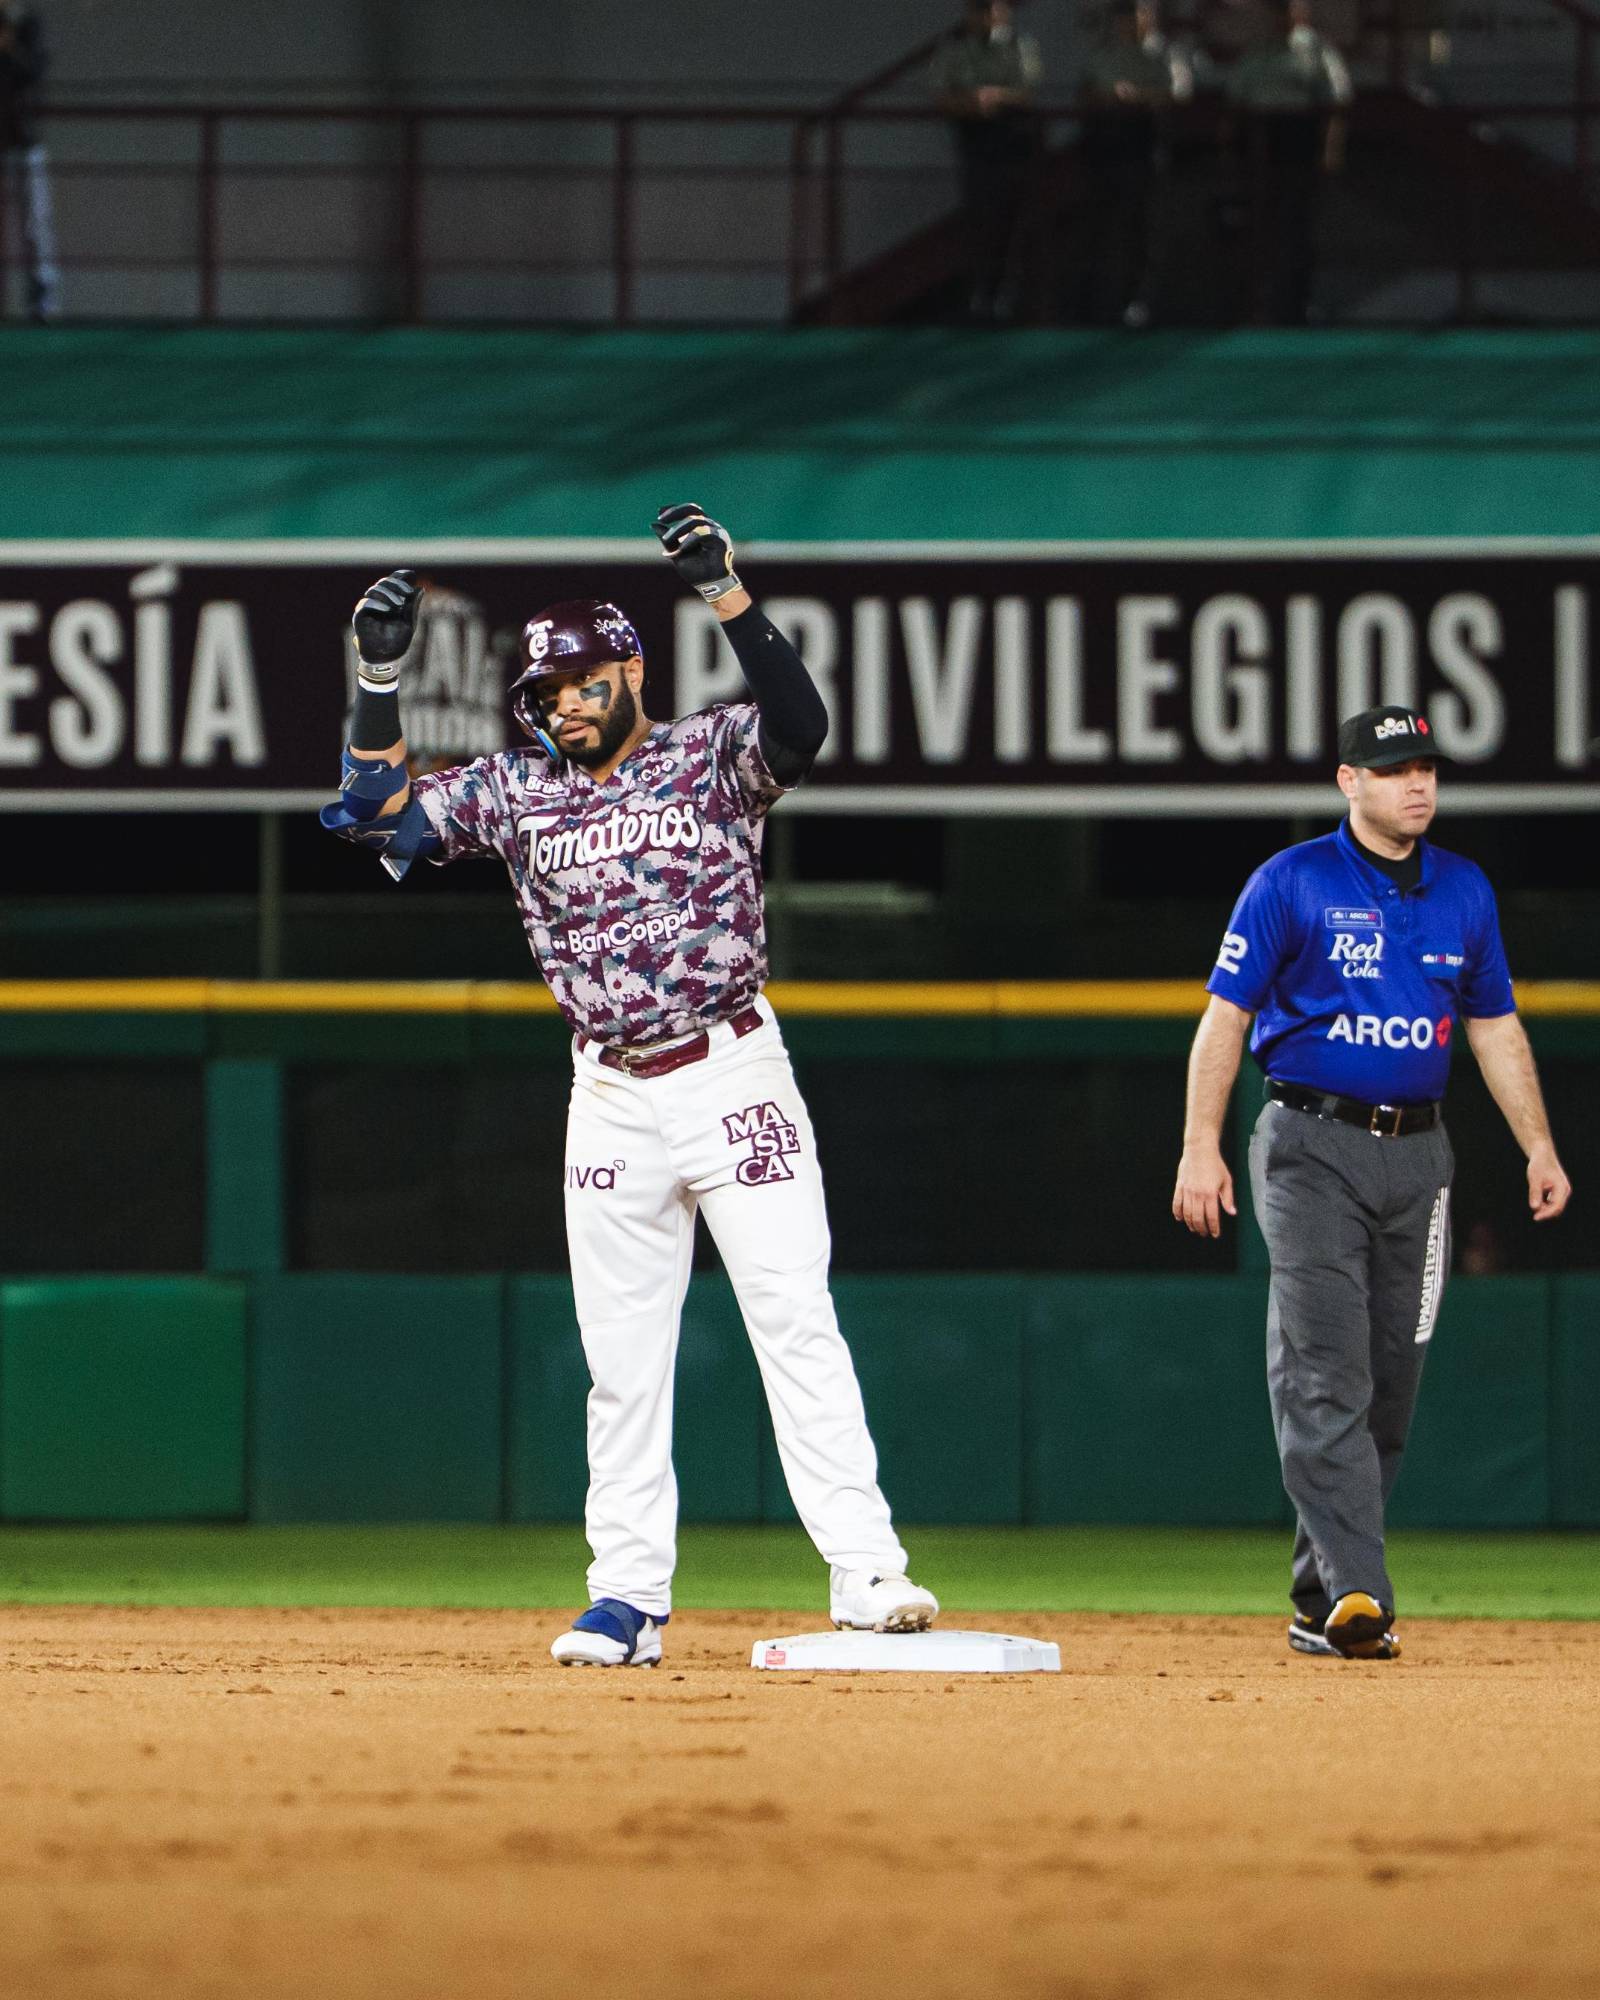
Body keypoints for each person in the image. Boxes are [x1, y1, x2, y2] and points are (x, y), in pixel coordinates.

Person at [321, 506, 939, 1669]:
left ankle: (866, 1569)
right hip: (606, 1090)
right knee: (620, 1353)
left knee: (794, 1319)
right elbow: (373, 816)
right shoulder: (513, 788)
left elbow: (802, 725)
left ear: (628, 672)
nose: (561, 702)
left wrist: (730, 595)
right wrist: (378, 678)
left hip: (731, 1064)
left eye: (579, 682)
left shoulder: (703, 754)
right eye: (546, 690)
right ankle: (626, 1596)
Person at [1171, 705, 1571, 1661]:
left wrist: (1539, 1148)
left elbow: (1496, 1029)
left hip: (1420, 1159)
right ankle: (1361, 1590)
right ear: (1349, 781)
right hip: (1310, 1144)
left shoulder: (1465, 891)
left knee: (1391, 1386)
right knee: (1326, 1371)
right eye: (1394, 770)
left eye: (1427, 767)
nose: (1418, 784)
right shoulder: (1292, 882)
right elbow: (1224, 1018)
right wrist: (1199, 1143)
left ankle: (1321, 1598)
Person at [1225, 0, 1351, 322]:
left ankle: (1300, 302)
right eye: (1278, 11)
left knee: (1299, 227)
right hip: (1260, 147)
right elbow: (1235, 99)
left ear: (1302, 13)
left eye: (1290, 10)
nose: (1284, 17)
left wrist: (1329, 151)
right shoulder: (1258, 53)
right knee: (1259, 225)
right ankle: (1257, 303)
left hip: (1299, 146)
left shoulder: (1317, 51)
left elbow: (1336, 103)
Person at [1077, 0, 1193, 326]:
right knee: (1101, 226)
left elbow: (1178, 93)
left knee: (1145, 227)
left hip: (1147, 147)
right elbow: (1085, 92)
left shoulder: (1165, 54)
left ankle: (1140, 301)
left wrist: (1136, 96)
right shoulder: (1104, 54)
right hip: (1106, 149)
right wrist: (1105, 97)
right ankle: (1096, 301)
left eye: (1137, 15)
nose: (1130, 22)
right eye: (1124, 17)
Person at [933, 0, 1044, 321]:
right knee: (979, 219)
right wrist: (968, 102)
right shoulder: (954, 48)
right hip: (976, 144)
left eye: (992, 8)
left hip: (1013, 142)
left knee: (1014, 220)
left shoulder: (1020, 46)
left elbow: (1028, 87)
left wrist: (995, 96)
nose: (985, 16)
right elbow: (938, 90)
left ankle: (1008, 297)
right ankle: (978, 295)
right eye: (978, 9)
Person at [0, 0, 57, 321]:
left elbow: (33, 71)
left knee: (35, 222)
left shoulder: (28, 26)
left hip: (24, 139)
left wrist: (8, 46)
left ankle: (42, 301)